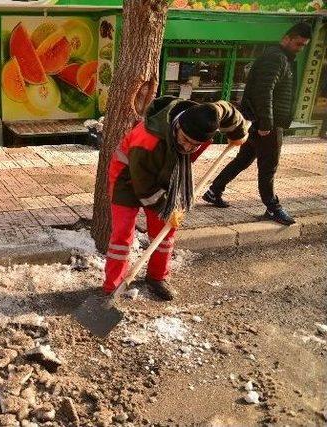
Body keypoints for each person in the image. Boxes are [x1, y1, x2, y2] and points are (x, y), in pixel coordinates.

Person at [104, 96, 250, 300]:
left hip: (167, 173)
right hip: (127, 178)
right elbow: (145, 189)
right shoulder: (147, 141)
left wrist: (238, 133)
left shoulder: (209, 114)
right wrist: (167, 207)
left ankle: (157, 277)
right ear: (177, 125)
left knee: (166, 229)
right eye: (184, 140)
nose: (188, 148)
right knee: (122, 234)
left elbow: (230, 112)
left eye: (195, 145)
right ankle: (114, 285)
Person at [202, 22, 312, 225]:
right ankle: (272, 207)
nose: (300, 48)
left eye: (303, 46)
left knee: (243, 159)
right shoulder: (276, 58)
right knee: (269, 166)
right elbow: (264, 92)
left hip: (257, 120)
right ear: (286, 38)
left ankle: (214, 190)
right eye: (298, 44)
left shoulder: (279, 58)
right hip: (266, 124)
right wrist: (266, 124)